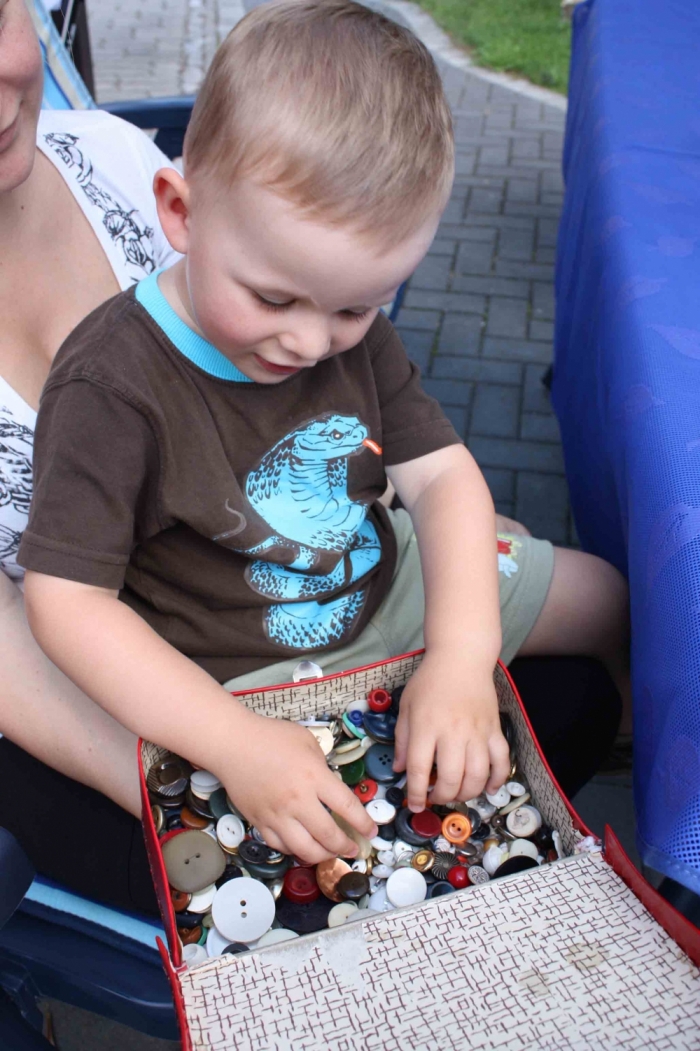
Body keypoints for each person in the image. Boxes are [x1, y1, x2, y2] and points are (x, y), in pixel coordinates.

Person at [20, 0, 631, 867]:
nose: (309, 342)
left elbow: (442, 477)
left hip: (383, 579)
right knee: (340, 840)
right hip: (243, 665)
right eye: (273, 298)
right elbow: (66, 603)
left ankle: (633, 754)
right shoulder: (111, 385)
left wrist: (462, 657)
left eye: (355, 306)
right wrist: (232, 740)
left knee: (605, 595)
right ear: (181, 211)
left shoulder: (342, 324)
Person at [0, 0, 183, 910]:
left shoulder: (115, 160)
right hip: (77, 716)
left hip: (262, 616)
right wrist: (187, 786)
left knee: (571, 675)